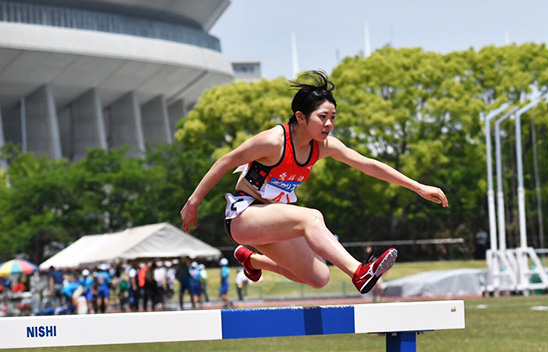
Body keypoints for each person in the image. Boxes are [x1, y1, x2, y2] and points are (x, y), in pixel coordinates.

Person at [180, 70, 448, 295]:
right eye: (322, 117)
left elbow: (368, 165)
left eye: (333, 117)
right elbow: (225, 161)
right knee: (313, 218)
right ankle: (359, 272)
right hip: (244, 216)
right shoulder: (274, 141)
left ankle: (252, 260)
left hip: (272, 221)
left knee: (319, 277)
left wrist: (418, 187)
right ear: (300, 117)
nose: (329, 124)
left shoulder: (323, 146)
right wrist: (193, 203)